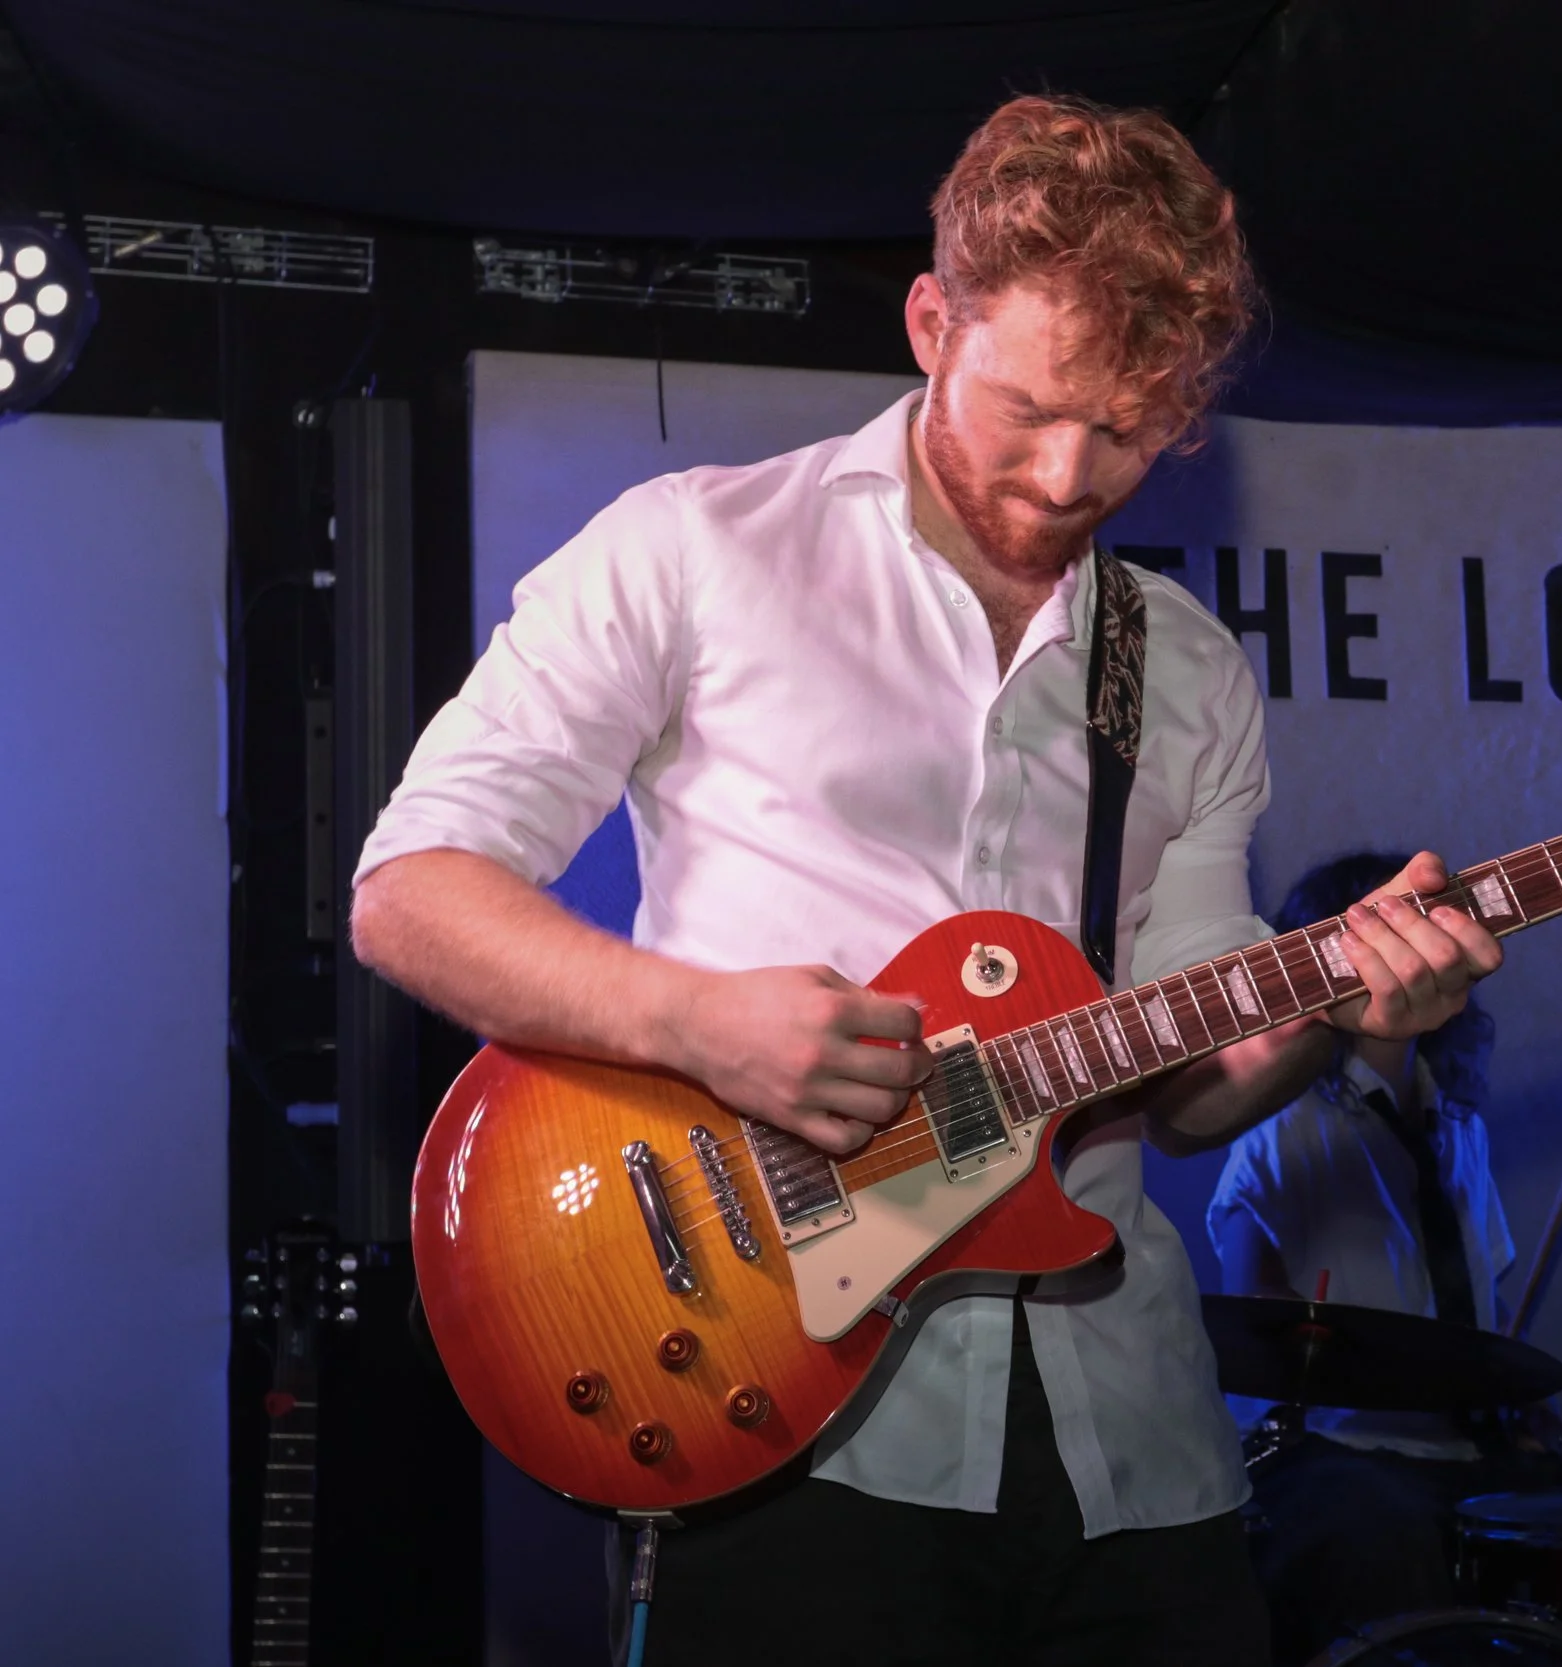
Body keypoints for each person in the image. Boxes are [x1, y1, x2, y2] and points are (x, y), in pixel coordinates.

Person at [348, 96, 1503, 1667]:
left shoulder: (1186, 670)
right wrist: (697, 1021)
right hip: (788, 1418)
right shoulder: (696, 550)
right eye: (1028, 403)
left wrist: (1342, 1009)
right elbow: (411, 887)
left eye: (1134, 426)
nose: (1068, 470)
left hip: (1131, 1457)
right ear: (929, 321)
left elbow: (1190, 1093)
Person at [1210, 850, 1556, 1663]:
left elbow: (1484, 1307)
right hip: (1336, 1453)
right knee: (1381, 1534)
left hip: (1464, 1447)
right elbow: (1249, 1336)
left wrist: (1525, 1410)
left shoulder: (1459, 1127)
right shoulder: (1278, 1127)